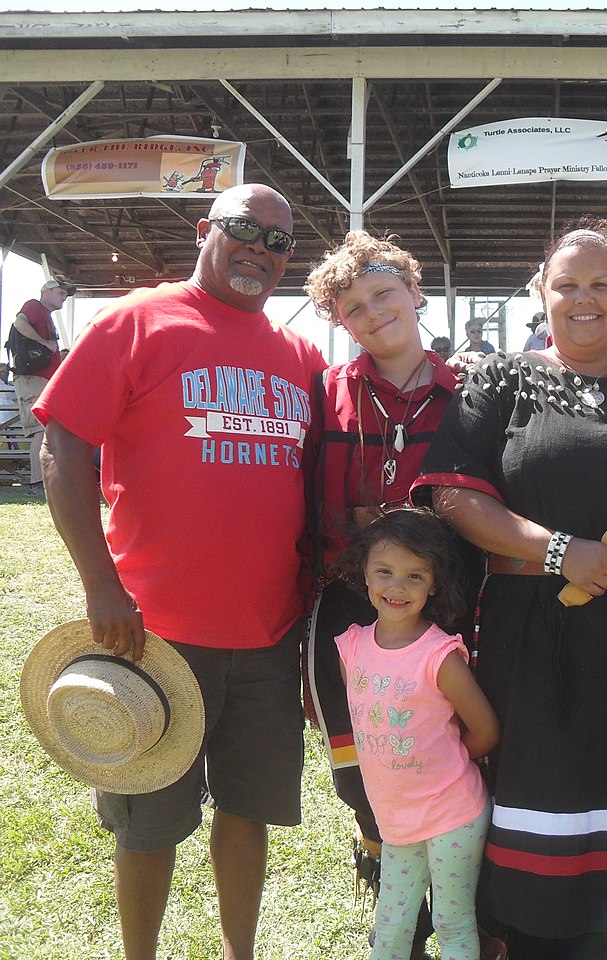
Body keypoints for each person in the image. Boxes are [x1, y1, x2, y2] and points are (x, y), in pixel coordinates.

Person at [34, 183, 326, 960]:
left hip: (269, 637)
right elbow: (64, 451)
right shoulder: (137, 320)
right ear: (205, 230)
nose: (261, 250)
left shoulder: (298, 355)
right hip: (151, 639)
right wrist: (101, 584)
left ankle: (240, 953)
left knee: (248, 810)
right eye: (245, 229)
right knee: (148, 820)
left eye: (279, 241)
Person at [417, 220, 607, 959]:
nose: (584, 300)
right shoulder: (501, 382)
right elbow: (454, 497)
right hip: (531, 646)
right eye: (567, 285)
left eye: (601, 285)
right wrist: (558, 552)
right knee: (537, 849)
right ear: (540, 292)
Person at [303, 231, 465, 957]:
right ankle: (403, 911)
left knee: (450, 760)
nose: (373, 313)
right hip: (347, 619)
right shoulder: (327, 396)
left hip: (454, 616)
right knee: (362, 770)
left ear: (415, 291)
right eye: (354, 307)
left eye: (383, 294)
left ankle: (467, 904)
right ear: (341, 323)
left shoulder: (471, 391)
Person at [335, 507, 500, 960]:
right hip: (396, 821)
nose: (397, 587)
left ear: (433, 583)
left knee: (452, 921)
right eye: (384, 571)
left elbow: (484, 729)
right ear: (364, 573)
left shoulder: (440, 656)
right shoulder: (350, 648)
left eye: (414, 576)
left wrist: (443, 765)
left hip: (453, 816)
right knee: (390, 928)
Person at [10, 277, 74, 494]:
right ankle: (37, 482)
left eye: (65, 294)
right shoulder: (35, 307)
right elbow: (19, 323)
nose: (64, 297)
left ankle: (43, 481)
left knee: (45, 430)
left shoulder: (44, 314)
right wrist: (44, 342)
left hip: (40, 379)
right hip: (32, 379)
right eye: (60, 292)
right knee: (40, 431)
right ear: (46, 292)